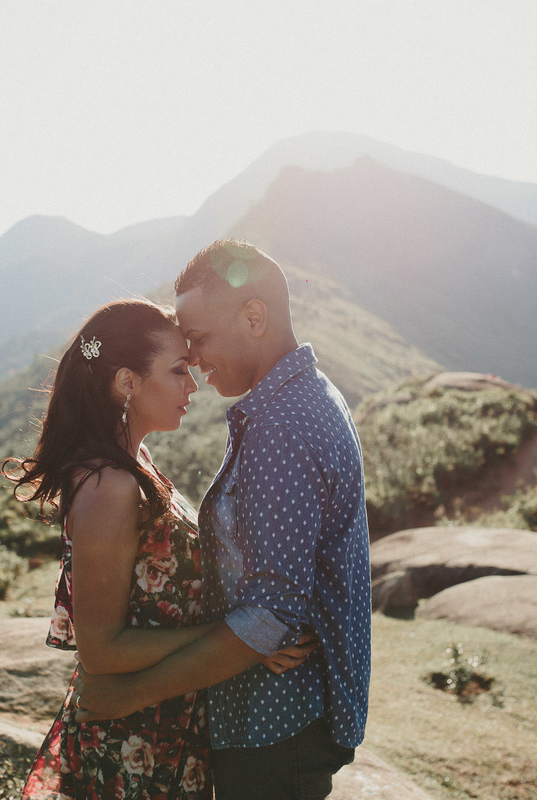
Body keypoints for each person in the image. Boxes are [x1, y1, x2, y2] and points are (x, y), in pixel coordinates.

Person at [76, 240, 372, 800]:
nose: (196, 362)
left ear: (253, 316)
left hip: (272, 723)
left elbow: (270, 620)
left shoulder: (281, 427)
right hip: (270, 717)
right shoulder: (305, 398)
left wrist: (130, 694)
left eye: (200, 340)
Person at [5, 299, 310, 800]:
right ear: (128, 383)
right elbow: (101, 650)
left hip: (162, 728)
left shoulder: (133, 462)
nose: (193, 385)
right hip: (132, 746)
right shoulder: (109, 486)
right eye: (178, 370)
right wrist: (243, 641)